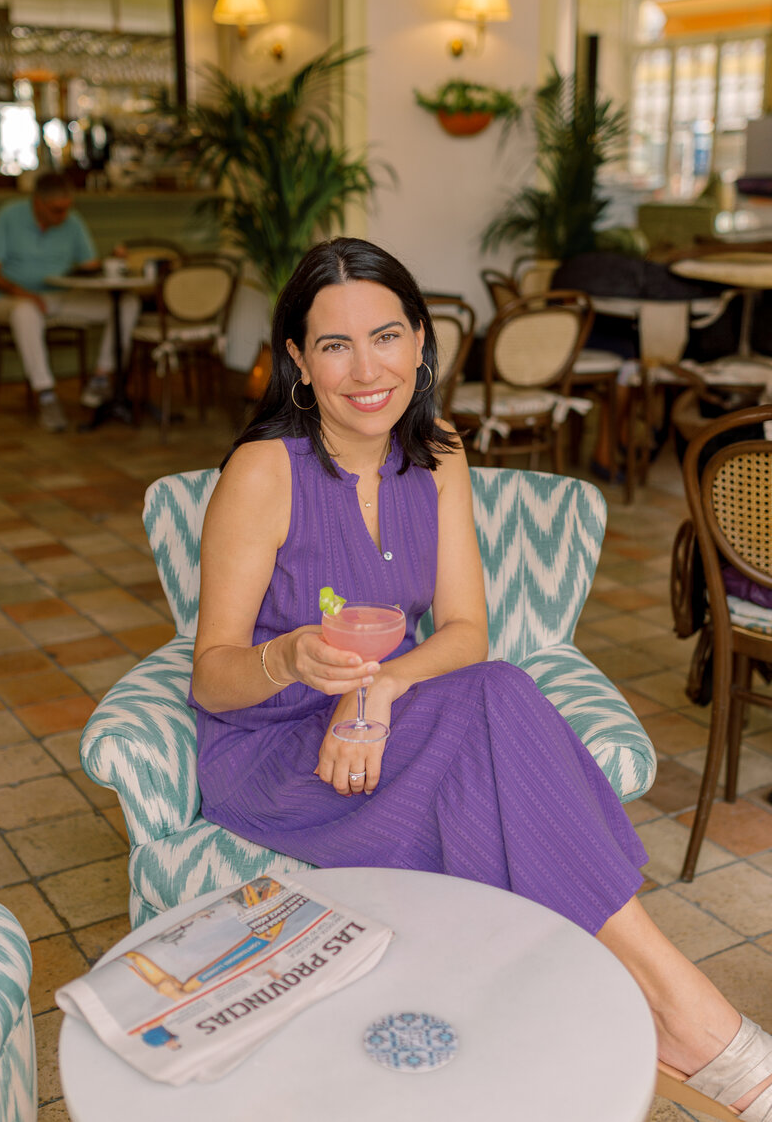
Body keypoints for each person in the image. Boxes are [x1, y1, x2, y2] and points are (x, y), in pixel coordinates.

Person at [191, 237, 772, 1121]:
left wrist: (376, 692)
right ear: (299, 364)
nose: (365, 369)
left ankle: (654, 1015)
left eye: (385, 336)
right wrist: (291, 659)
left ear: (423, 342)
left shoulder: (440, 451)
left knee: (494, 694)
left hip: (382, 725)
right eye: (334, 346)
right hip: (279, 753)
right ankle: (692, 1022)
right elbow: (212, 679)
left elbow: (467, 633)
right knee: (498, 713)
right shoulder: (263, 472)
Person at [0, 171, 140, 432]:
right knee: (25, 312)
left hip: (59, 296)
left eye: (67, 209)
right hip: (11, 298)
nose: (63, 216)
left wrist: (113, 260)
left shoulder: (72, 221)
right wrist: (23, 293)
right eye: (56, 210)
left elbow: (89, 267)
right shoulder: (9, 215)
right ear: (37, 202)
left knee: (126, 303)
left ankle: (100, 378)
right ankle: (46, 394)